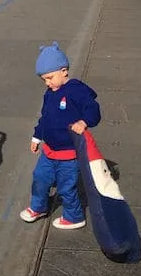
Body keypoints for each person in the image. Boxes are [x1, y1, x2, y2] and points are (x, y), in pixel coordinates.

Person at [20, 42, 101, 230]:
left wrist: (84, 122)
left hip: (69, 154)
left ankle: (74, 216)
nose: (47, 83)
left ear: (63, 71)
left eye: (50, 78)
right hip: (49, 151)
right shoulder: (50, 94)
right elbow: (45, 118)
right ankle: (39, 206)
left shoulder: (76, 90)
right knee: (40, 178)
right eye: (44, 80)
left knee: (66, 187)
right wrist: (36, 137)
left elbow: (93, 110)